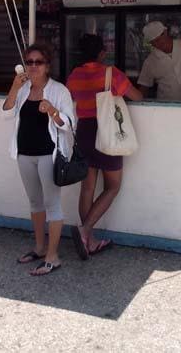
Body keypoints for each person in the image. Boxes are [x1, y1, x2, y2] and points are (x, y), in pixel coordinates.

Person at [66, 34, 143, 260]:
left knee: (87, 188)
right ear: (101, 52)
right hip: (108, 132)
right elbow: (136, 97)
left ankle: (87, 241)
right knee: (113, 187)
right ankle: (85, 231)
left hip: (85, 133)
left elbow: (72, 96)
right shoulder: (111, 74)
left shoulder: (74, 76)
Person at [2, 44, 75, 276]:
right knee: (35, 203)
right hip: (24, 153)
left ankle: (53, 257)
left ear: (47, 66)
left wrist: (53, 111)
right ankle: (40, 247)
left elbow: (69, 125)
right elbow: (5, 113)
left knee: (52, 204)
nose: (33, 66)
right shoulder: (23, 89)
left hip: (48, 154)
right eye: (29, 62)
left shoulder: (59, 91)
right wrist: (14, 87)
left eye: (38, 62)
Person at [137, 21, 181, 102]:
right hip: (167, 106)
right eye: (154, 42)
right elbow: (144, 87)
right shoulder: (150, 61)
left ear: (165, 32)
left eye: (159, 38)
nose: (158, 43)